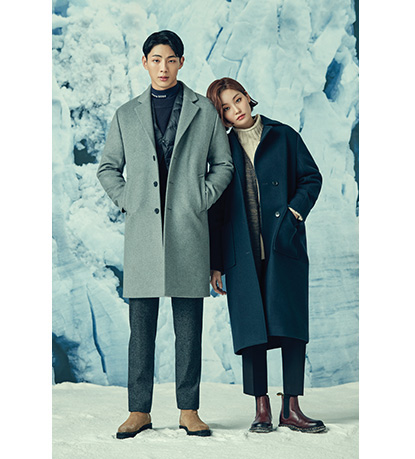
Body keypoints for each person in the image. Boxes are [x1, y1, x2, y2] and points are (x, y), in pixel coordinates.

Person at [97, 31, 233, 439]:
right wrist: (131, 201)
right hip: (142, 233)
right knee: (141, 330)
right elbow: (108, 168)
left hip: (187, 229)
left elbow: (222, 165)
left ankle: (189, 410)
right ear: (145, 63)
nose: (163, 67)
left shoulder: (203, 111)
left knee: (188, 327)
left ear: (181, 62)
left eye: (171, 60)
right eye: (156, 59)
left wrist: (199, 197)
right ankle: (138, 411)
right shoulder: (126, 114)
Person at [206, 77, 325, 433]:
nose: (236, 109)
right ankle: (261, 408)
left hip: (283, 245)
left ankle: (292, 408)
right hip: (242, 251)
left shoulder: (283, 136)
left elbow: (311, 178)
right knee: (252, 327)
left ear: (248, 97)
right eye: (226, 108)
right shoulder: (222, 151)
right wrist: (216, 263)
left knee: (291, 325)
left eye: (237, 99)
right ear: (222, 116)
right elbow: (217, 211)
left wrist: (294, 214)